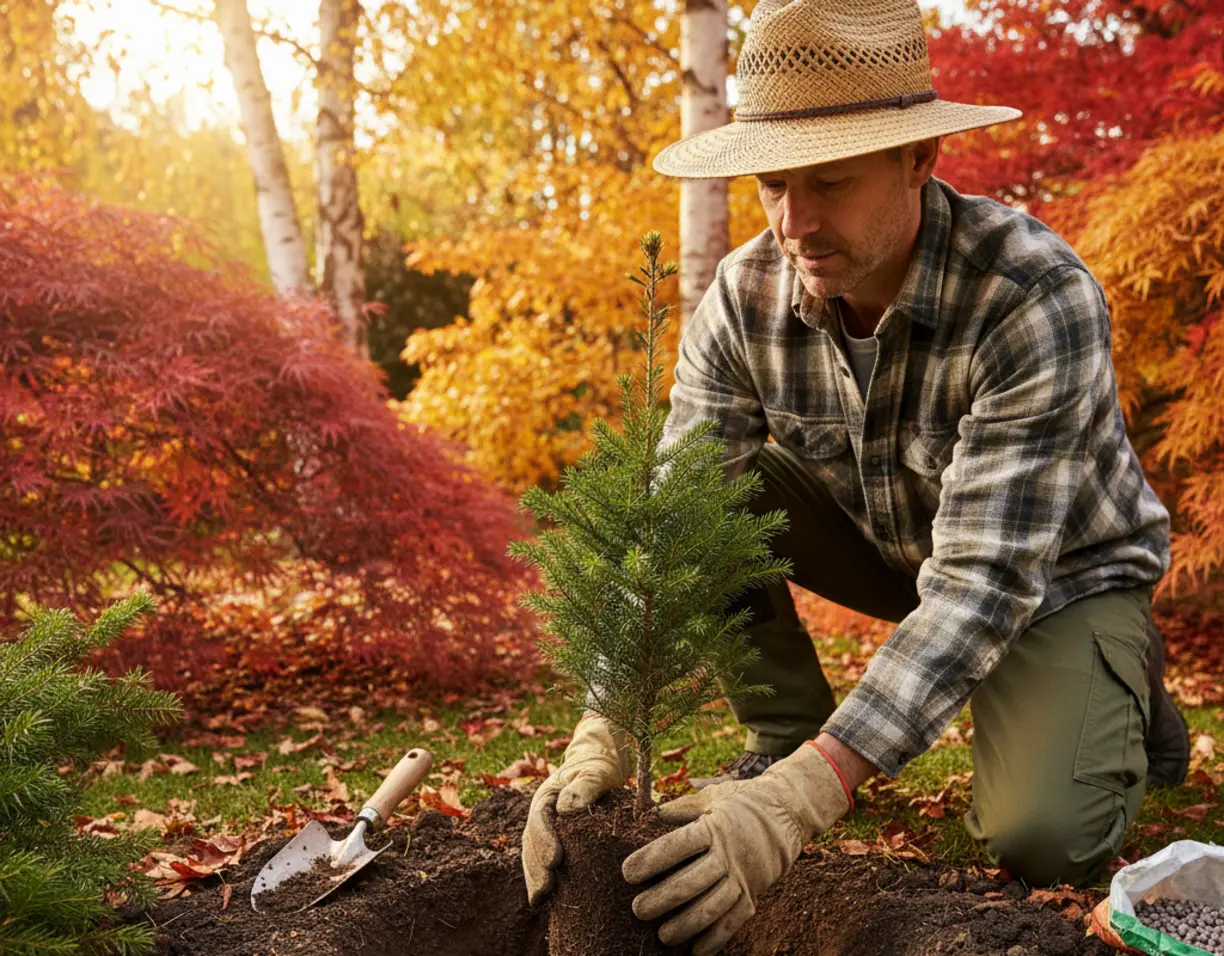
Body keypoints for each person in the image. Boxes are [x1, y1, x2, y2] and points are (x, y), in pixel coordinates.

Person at [521, 0, 1192, 953]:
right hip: (887, 545)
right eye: (772, 184)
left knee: (1041, 840)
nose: (795, 221)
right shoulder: (743, 297)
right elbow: (674, 518)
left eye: (829, 182)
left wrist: (806, 797)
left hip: (1053, 578)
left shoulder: (1032, 296)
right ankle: (780, 729)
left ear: (919, 162)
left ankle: (1117, 674)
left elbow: (982, 583)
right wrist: (604, 722)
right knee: (713, 491)